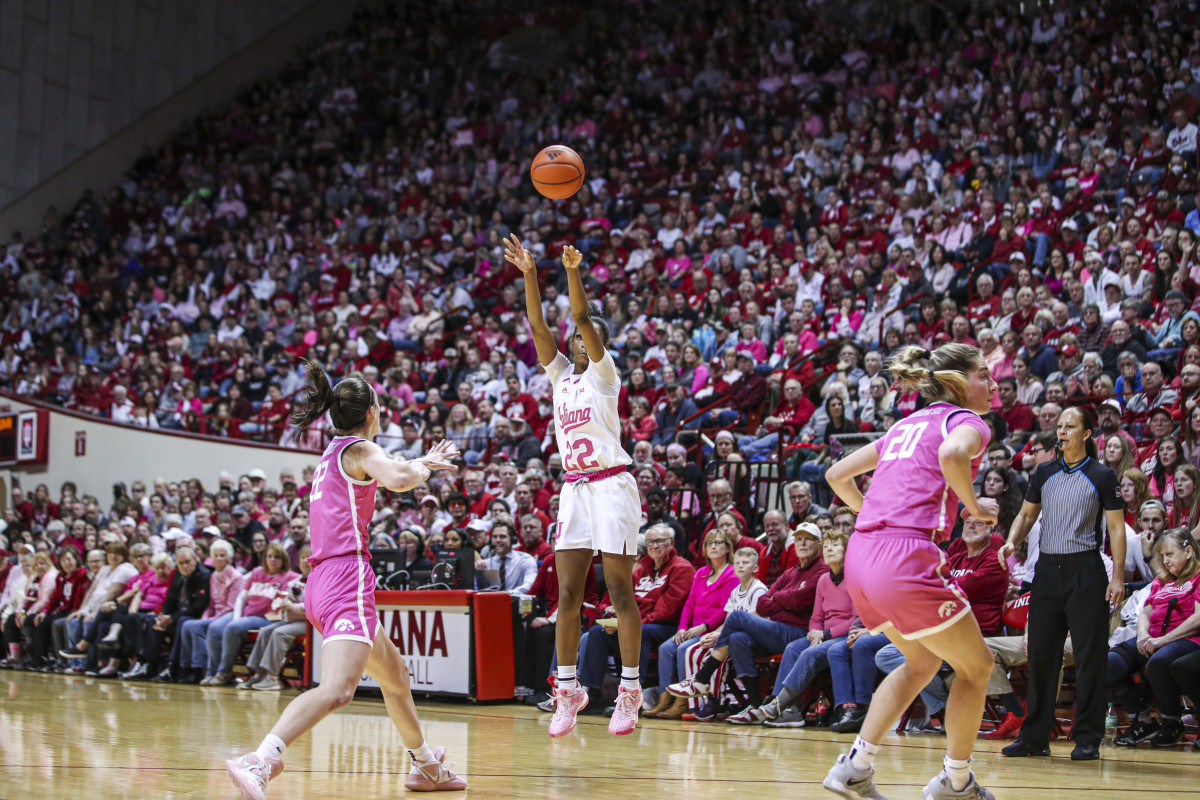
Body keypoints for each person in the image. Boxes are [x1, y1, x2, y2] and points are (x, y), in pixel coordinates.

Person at [225, 358, 466, 798]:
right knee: (338, 690)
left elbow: (391, 471)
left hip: (322, 578)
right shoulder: (360, 449)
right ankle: (261, 759)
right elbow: (397, 478)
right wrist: (426, 464)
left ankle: (426, 766)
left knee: (394, 676)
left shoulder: (330, 455)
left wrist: (419, 461)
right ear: (372, 412)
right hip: (345, 576)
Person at [820, 343, 1000, 800]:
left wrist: (871, 517)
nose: (993, 383)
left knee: (921, 662)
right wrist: (976, 507)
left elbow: (837, 475)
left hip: (862, 555)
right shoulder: (966, 422)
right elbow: (952, 458)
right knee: (977, 667)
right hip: (905, 557)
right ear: (958, 382)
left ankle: (855, 767)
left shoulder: (904, 424)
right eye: (984, 374)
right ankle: (956, 782)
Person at [506, 235, 645, 738]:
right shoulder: (562, 375)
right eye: (577, 339)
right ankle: (568, 689)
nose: (579, 339)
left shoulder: (605, 376)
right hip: (576, 489)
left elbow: (582, 319)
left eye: (587, 336)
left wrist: (571, 272)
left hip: (612, 486)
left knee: (618, 591)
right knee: (566, 594)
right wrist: (529, 274)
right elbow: (539, 326)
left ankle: (630, 690)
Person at [999, 406, 1126, 761]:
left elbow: (1116, 528)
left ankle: (1087, 738)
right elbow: (1026, 515)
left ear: (1086, 434)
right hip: (1047, 572)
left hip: (1086, 570)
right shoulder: (1043, 472)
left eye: (1070, 426)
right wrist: (1011, 542)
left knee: (1089, 658)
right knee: (1040, 657)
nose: (1062, 431)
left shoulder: (1102, 475)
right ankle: (1035, 737)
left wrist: (1117, 576)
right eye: (1059, 426)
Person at [730, 529, 854, 727]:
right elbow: (816, 616)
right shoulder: (823, 579)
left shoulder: (853, 578)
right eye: (827, 546)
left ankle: (777, 703)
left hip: (843, 634)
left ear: (847, 550)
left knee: (738, 619)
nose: (830, 549)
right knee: (794, 647)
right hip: (820, 634)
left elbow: (857, 619)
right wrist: (815, 632)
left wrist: (826, 633)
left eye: (836, 545)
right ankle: (792, 711)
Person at [1107, 528, 1200, 748]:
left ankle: (1171, 722)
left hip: (1186, 639)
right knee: (1109, 663)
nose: (1165, 561)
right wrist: (1143, 635)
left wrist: (1161, 641)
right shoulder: (1162, 580)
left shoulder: (1197, 576)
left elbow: (1198, 618)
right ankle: (1142, 719)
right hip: (1153, 637)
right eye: (1162, 556)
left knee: (1159, 662)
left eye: (1169, 554)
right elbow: (1146, 613)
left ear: (1188, 552)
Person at [646, 526, 739, 719]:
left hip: (711, 631)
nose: (713, 547)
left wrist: (703, 628)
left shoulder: (732, 574)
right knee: (665, 648)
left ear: (728, 548)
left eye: (718, 542)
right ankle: (665, 699)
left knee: (682, 649)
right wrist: (681, 628)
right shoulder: (701, 573)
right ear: (704, 549)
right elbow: (689, 605)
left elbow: (725, 610)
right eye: (709, 543)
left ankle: (684, 702)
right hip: (692, 629)